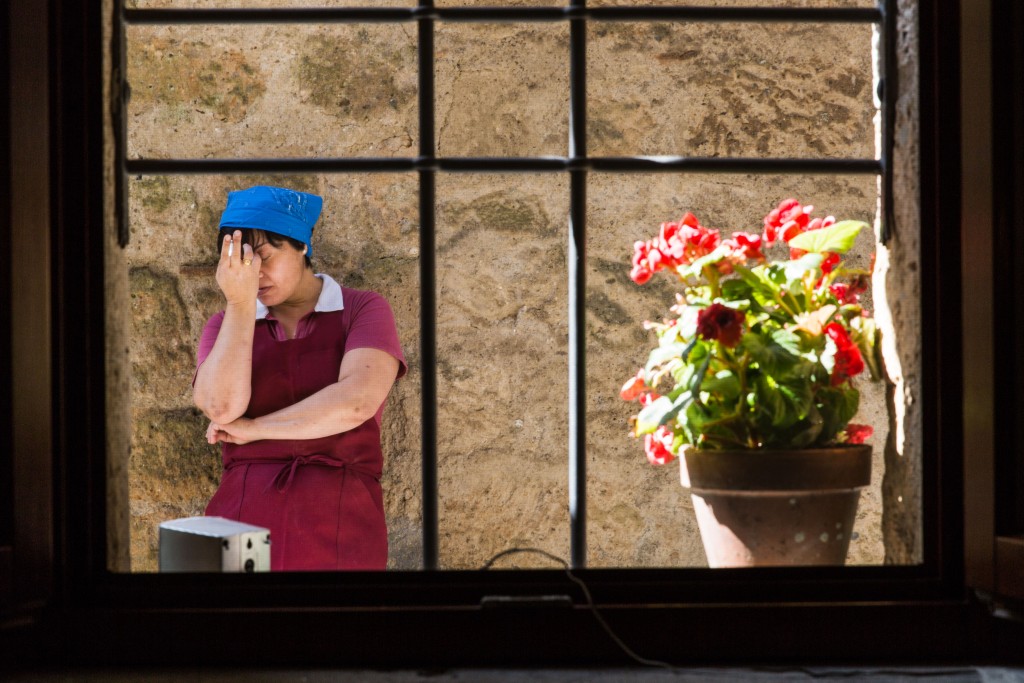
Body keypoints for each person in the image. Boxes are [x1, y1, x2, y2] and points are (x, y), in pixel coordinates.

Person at [192, 185, 406, 571]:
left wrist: (256, 429)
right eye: (242, 264)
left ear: (302, 246)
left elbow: (356, 402)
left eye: (265, 258)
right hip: (241, 518)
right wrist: (241, 304)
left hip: (340, 516)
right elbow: (221, 408)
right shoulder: (224, 325)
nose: (255, 273)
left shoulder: (361, 309)